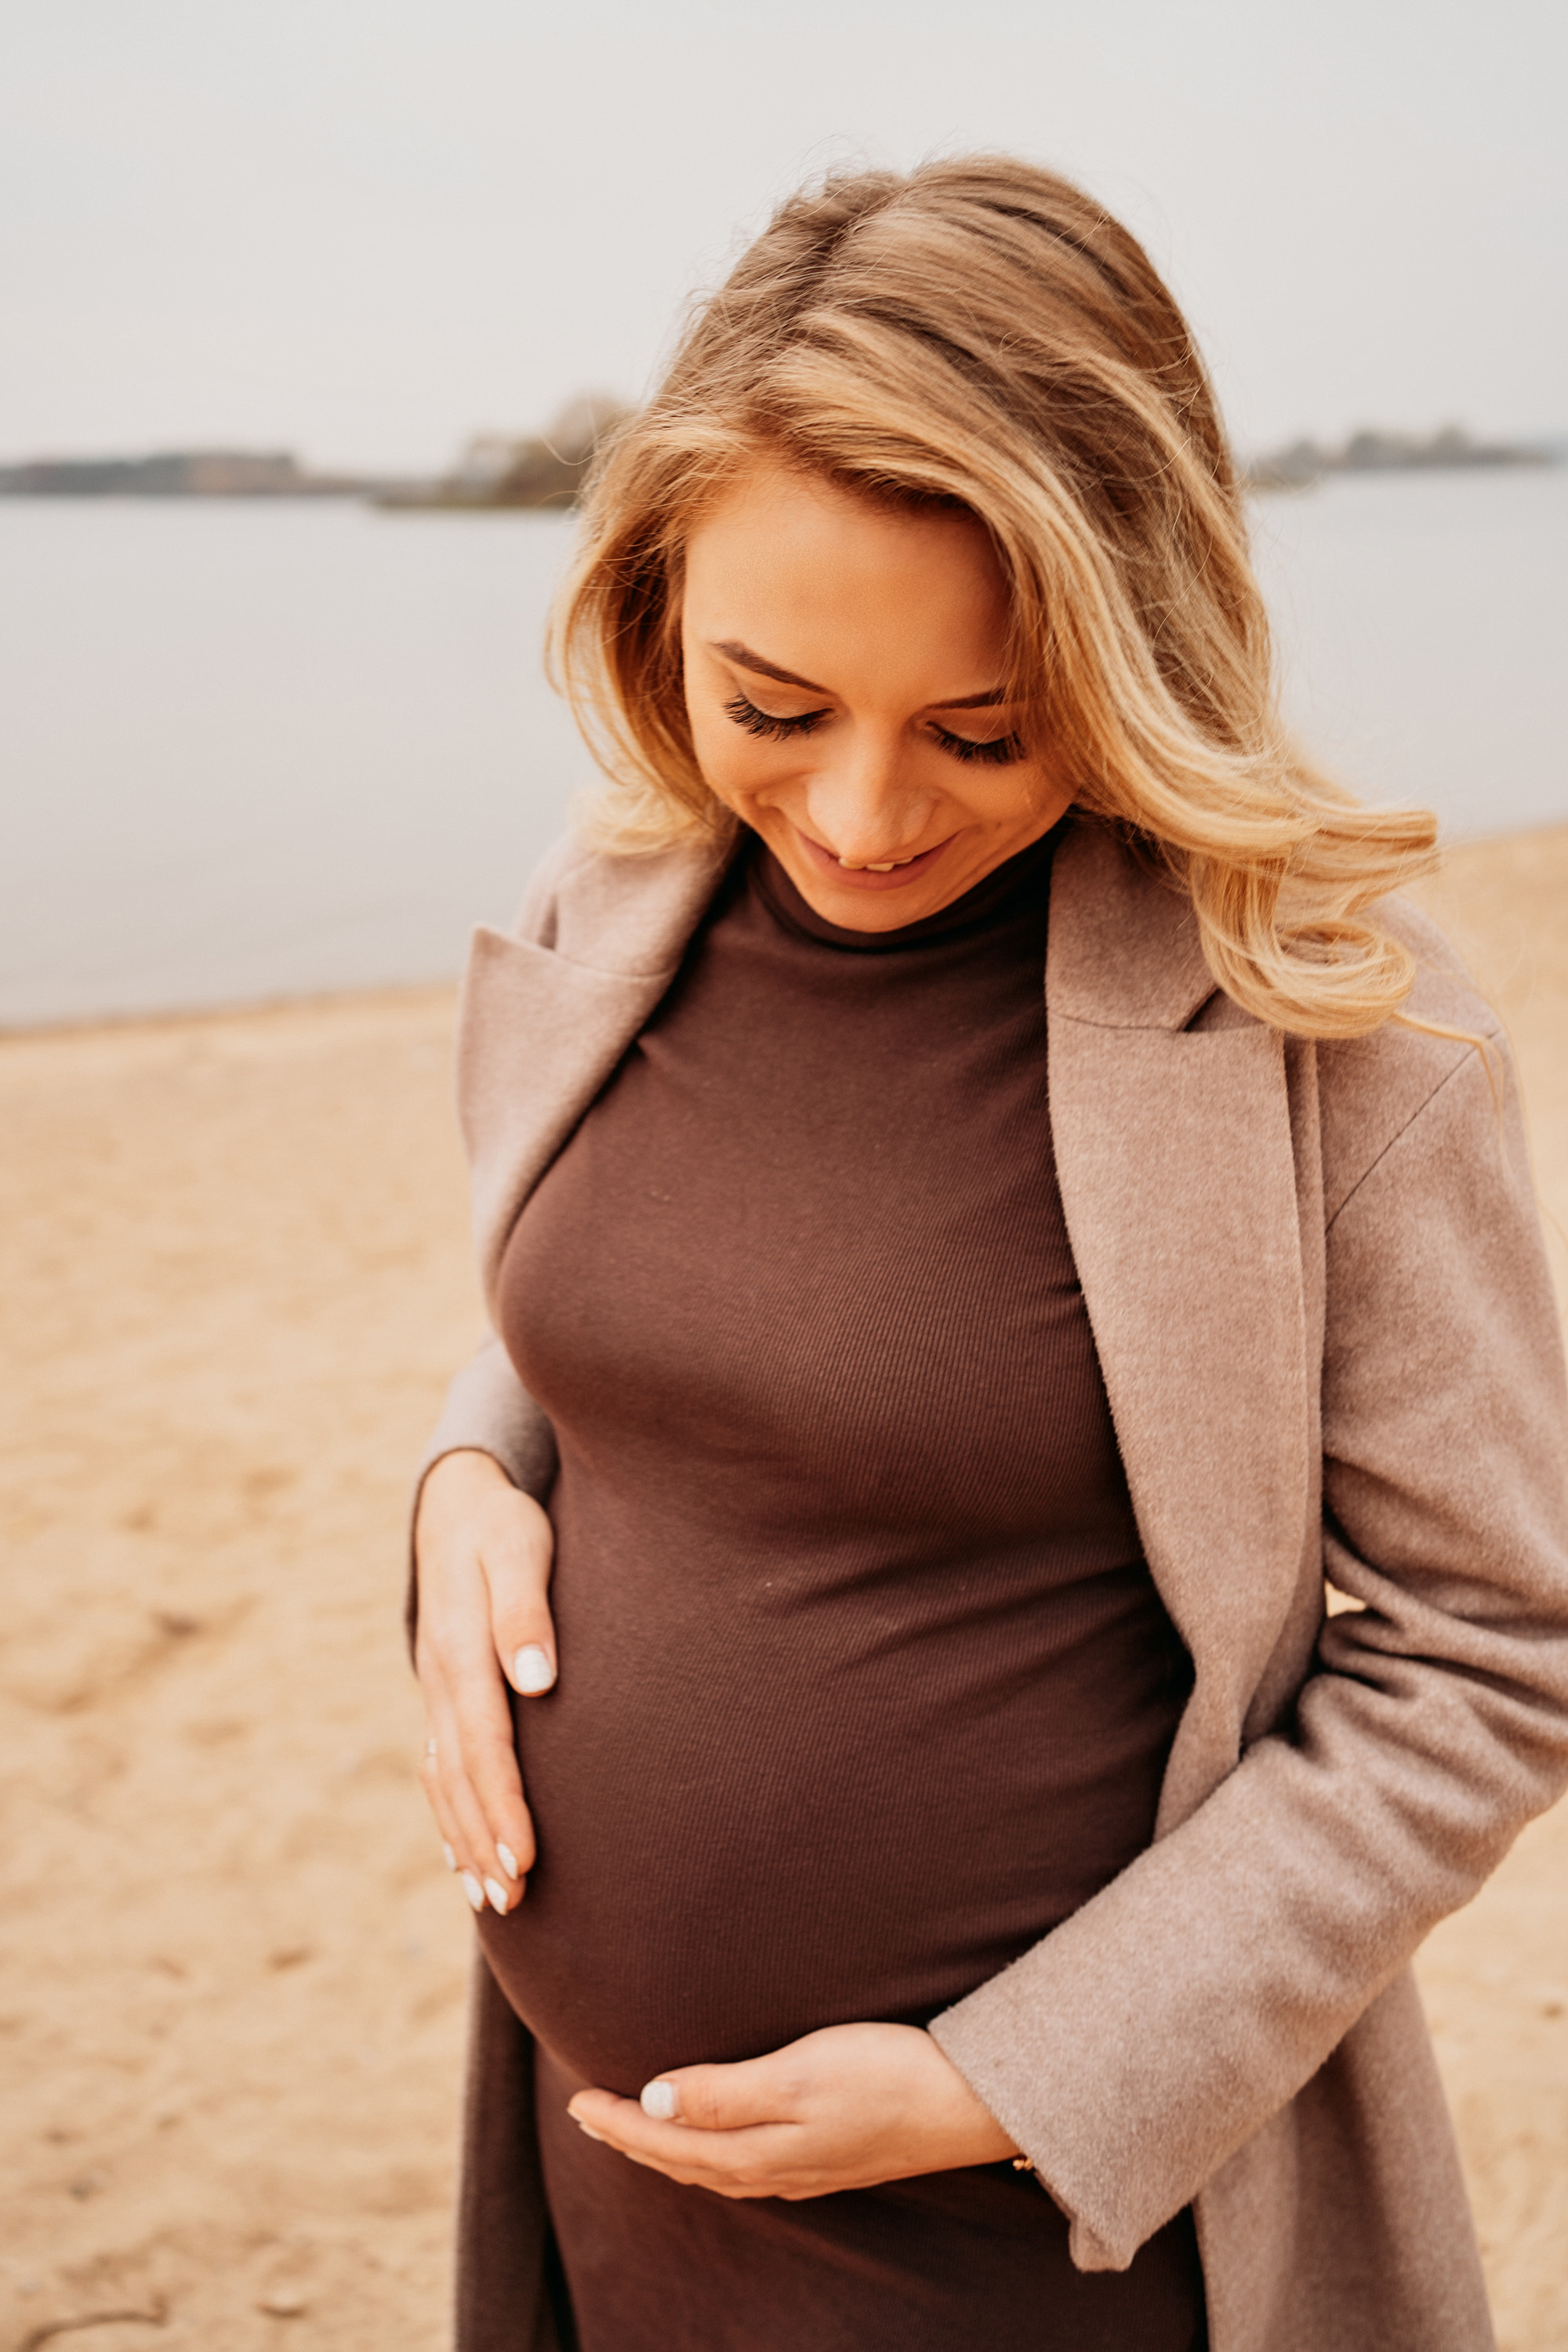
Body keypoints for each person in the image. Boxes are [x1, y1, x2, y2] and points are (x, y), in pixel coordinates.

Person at [409, 157, 1568, 2352]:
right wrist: (476, 1474)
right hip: (617, 2185)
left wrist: (1007, 2082)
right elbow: (609, 1317)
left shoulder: (1336, 1026)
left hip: (1070, 2247)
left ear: (1134, 639)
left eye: (982, 726)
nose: (856, 818)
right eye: (776, 706)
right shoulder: (615, 886)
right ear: (659, 604)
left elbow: (1492, 1656)